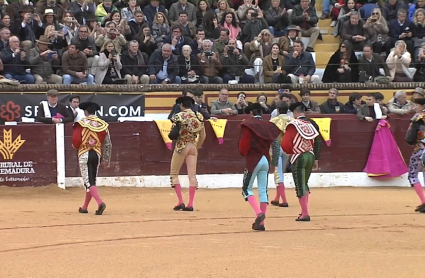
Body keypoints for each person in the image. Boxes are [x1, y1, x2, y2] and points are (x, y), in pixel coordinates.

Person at [239, 103, 280, 231]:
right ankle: (261, 224)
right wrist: (273, 162)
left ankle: (259, 213)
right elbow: (276, 145)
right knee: (263, 190)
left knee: (246, 189)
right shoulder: (269, 126)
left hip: (254, 159)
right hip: (265, 160)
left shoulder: (247, 125)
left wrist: (245, 154)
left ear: (251, 113)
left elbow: (243, 146)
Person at [282, 102, 321, 222]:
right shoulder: (310, 123)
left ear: (295, 112)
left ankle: (305, 213)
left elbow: (286, 144)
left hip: (299, 156)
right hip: (310, 155)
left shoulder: (293, 124)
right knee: (305, 183)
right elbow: (315, 142)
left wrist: (290, 153)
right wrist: (315, 158)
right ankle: (304, 211)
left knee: (300, 185)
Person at [72, 102, 112, 216]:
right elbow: (108, 144)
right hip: (97, 154)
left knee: (88, 181)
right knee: (91, 181)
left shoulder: (80, 124)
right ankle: (84, 207)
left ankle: (100, 203)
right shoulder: (103, 125)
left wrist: (79, 146)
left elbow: (76, 142)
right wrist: (106, 159)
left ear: (85, 112)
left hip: (85, 154)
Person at [169, 96, 206, 212]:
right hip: (192, 146)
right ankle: (190, 204)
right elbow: (203, 136)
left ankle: (180, 202)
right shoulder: (199, 116)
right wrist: (197, 146)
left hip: (181, 146)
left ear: (182, 105)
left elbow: (172, 133)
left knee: (174, 174)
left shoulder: (178, 116)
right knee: (192, 175)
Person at [405, 98, 425, 213]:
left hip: (419, 150)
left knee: (413, 175)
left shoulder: (417, 117)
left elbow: (410, 137)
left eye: (416, 105)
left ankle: (423, 201)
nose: (414, 107)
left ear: (422, 106)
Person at [270, 100, 291, 208]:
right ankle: (277, 198)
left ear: (277, 110)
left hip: (277, 148)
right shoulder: (291, 120)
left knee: (278, 174)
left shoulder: (273, 121)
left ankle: (284, 200)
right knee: (281, 172)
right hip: (288, 148)